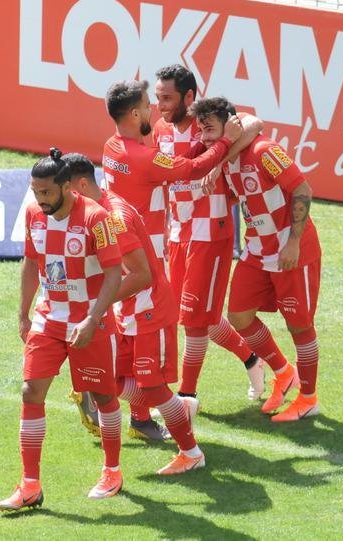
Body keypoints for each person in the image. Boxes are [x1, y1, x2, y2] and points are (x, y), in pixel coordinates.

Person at [99, 78, 245, 440]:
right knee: (150, 348)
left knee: (129, 332)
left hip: (122, 253)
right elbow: (190, 170)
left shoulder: (112, 147)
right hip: (145, 258)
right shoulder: (143, 158)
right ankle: (178, 428)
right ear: (134, 113)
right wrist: (225, 140)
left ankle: (139, 418)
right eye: (149, 103)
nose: (154, 109)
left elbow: (175, 162)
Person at [61, 153, 206, 476]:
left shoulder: (115, 219)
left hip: (149, 311)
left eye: (65, 190)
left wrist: (96, 307)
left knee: (153, 389)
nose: (62, 198)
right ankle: (178, 409)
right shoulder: (99, 209)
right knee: (109, 379)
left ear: (81, 185)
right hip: (126, 311)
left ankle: (191, 452)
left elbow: (142, 275)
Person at [0, 150, 126, 510]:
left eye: (46, 192)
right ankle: (30, 485)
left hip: (89, 321)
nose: (40, 199)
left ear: (67, 186)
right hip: (48, 319)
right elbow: (30, 264)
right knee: (30, 392)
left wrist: (93, 318)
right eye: (35, 191)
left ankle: (112, 470)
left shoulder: (96, 218)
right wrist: (23, 314)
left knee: (103, 398)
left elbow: (115, 273)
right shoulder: (33, 215)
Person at [189, 97, 322, 423]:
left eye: (210, 129)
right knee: (239, 315)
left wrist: (292, 242)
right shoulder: (226, 157)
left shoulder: (264, 151)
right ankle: (282, 370)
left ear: (232, 125)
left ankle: (308, 398)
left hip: (292, 251)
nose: (205, 137)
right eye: (201, 130)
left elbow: (303, 190)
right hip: (257, 251)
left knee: (300, 325)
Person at [154, 65, 266, 405]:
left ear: (189, 97)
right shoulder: (160, 128)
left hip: (211, 230)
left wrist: (217, 162)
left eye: (168, 98)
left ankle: (186, 398)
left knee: (195, 321)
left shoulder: (211, 119)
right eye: (157, 98)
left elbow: (254, 123)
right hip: (179, 232)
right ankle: (252, 359)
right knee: (191, 314)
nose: (161, 106)